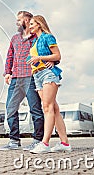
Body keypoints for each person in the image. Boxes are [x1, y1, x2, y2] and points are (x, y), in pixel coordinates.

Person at [0, 11, 52, 151]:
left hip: (31, 77)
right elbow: (10, 56)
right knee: (10, 109)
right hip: (16, 78)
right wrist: (7, 73)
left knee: (35, 109)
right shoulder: (15, 38)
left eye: (19, 20)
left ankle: (37, 140)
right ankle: (14, 141)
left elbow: (48, 51)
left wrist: (53, 62)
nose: (17, 22)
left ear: (27, 21)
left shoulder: (37, 37)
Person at [27, 15, 71, 154]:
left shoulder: (47, 37)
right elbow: (37, 58)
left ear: (39, 24)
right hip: (37, 75)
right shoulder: (35, 42)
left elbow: (57, 56)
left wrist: (41, 58)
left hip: (47, 73)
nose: (30, 26)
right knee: (54, 109)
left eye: (32, 23)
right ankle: (65, 143)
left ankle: (45, 143)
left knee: (47, 107)